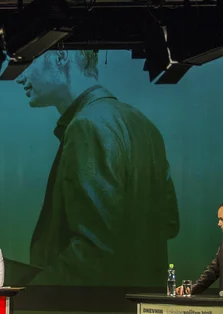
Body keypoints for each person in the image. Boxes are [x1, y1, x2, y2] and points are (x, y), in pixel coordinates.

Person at [15, 50, 179, 286]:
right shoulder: (144, 124)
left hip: (95, 303)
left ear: (61, 56)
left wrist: (30, 294)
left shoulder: (86, 125)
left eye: (26, 61)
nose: (19, 76)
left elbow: (94, 252)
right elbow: (170, 224)